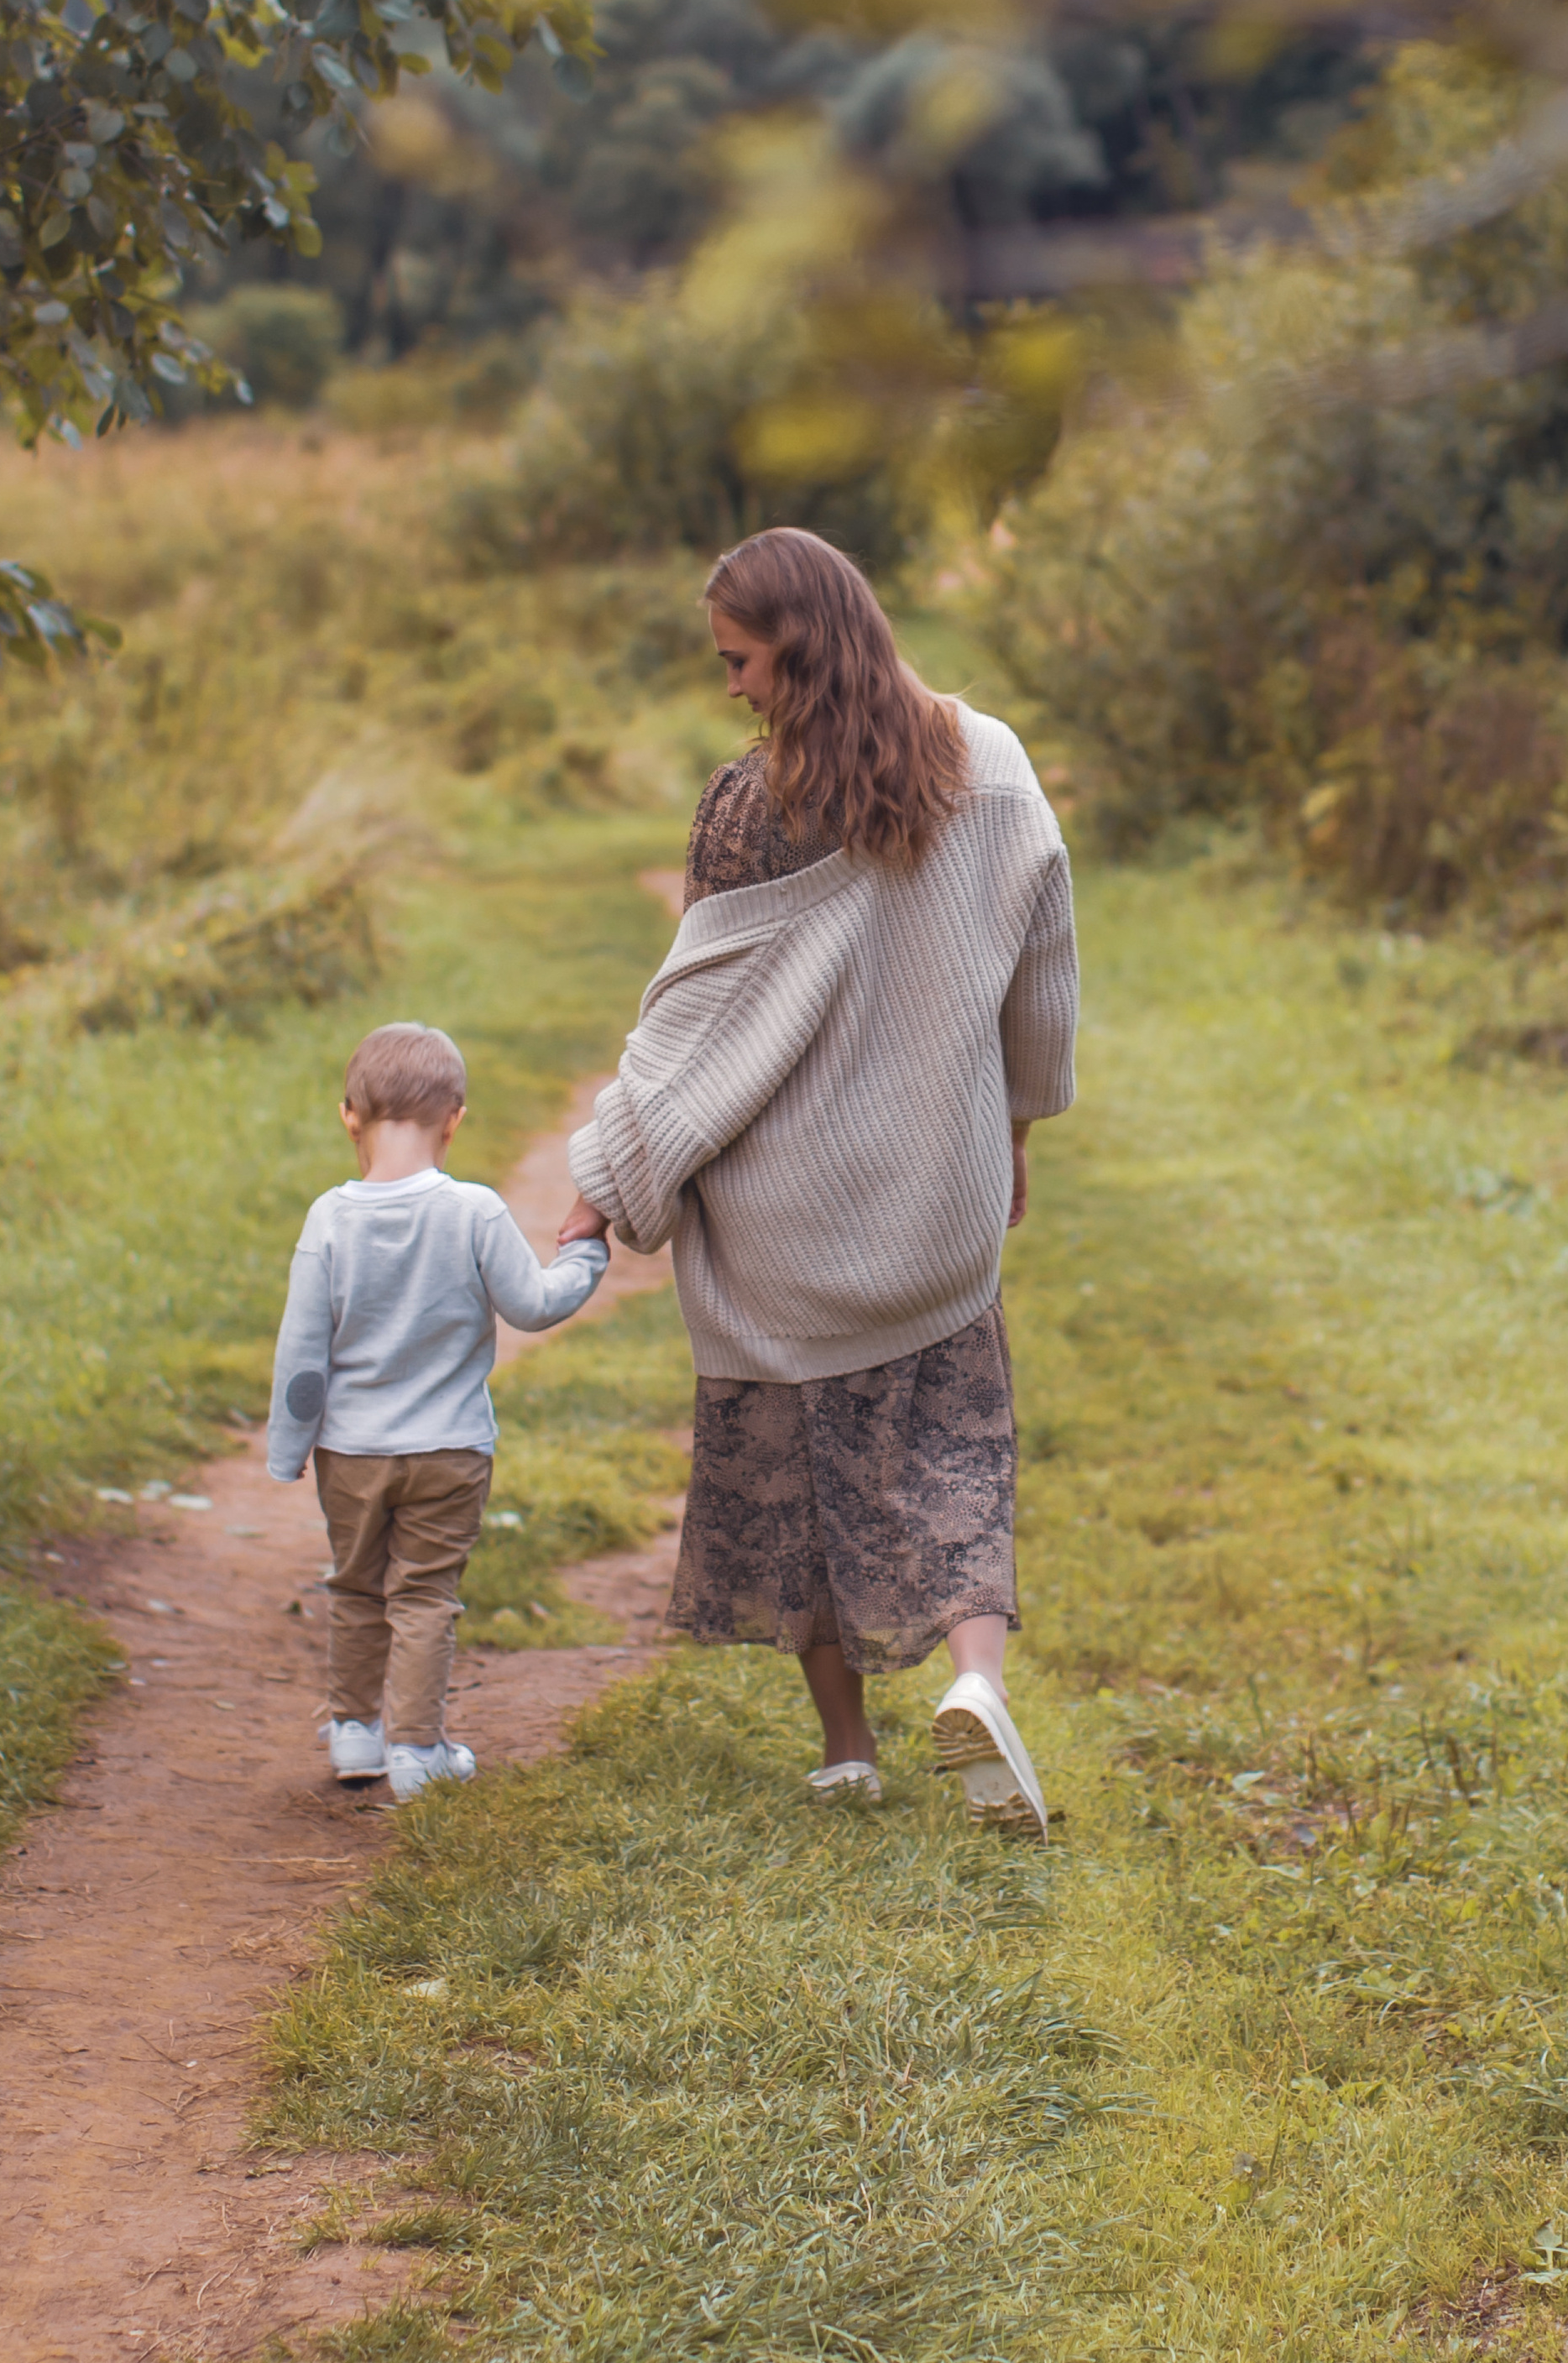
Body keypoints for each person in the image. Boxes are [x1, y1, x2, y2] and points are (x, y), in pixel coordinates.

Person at [558, 528, 1078, 1838]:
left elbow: (688, 1033)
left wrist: (608, 1179)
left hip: (786, 1225)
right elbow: (1044, 976)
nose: (731, 687)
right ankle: (975, 1684)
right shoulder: (996, 765)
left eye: (738, 660)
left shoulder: (752, 808)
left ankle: (847, 1747)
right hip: (933, 1199)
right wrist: (1015, 1125)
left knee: (800, 1473)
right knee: (953, 1444)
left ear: (797, 640)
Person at [267, 1021, 608, 1801]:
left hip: (350, 1454)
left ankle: (356, 1734)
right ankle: (417, 1751)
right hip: (450, 1450)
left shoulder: (329, 1219)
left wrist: (289, 1451)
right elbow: (532, 1306)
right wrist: (586, 1254)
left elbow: (301, 1356)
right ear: (455, 1119)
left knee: (356, 1585)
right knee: (423, 1595)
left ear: (348, 1116)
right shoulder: (474, 1212)